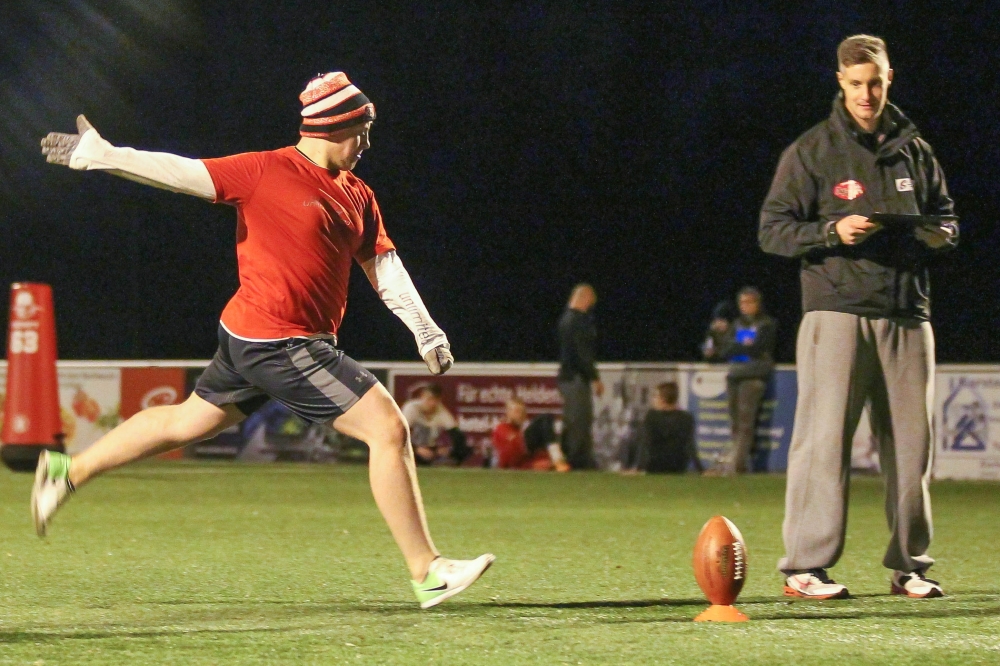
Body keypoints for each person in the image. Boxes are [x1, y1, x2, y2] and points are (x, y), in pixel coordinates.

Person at [35, 72, 493, 608]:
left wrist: (425, 328)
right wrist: (103, 155)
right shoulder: (264, 170)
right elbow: (180, 173)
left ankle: (67, 472)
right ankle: (427, 571)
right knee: (388, 429)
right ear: (331, 127)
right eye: (362, 131)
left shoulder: (359, 194)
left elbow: (384, 267)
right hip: (280, 341)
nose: (368, 143)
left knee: (187, 421)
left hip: (253, 335)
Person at [759, 36, 956, 600]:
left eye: (874, 82)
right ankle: (805, 566)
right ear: (839, 82)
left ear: (889, 78)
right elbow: (772, 231)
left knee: (912, 451)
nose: (865, 94)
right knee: (823, 444)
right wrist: (831, 231)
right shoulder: (811, 150)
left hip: (908, 313)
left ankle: (910, 566)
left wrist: (939, 235)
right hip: (837, 311)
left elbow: (947, 218)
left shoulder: (916, 150)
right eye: (854, 84)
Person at [707, 287, 777, 475]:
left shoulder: (766, 323)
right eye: (742, 302)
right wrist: (740, 345)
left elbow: (757, 348)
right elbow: (725, 350)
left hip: (753, 377)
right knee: (735, 423)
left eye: (749, 302)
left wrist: (738, 347)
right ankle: (739, 463)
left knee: (746, 423)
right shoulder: (737, 323)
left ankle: (736, 466)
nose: (744, 306)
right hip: (734, 374)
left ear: (757, 303)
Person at [557, 284, 604, 469]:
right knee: (578, 420)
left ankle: (580, 459)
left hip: (571, 377)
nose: (589, 307)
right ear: (584, 298)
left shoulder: (566, 319)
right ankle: (576, 460)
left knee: (579, 418)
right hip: (574, 378)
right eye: (590, 303)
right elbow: (582, 353)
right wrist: (595, 377)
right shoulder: (576, 321)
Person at [635, 382, 702, 474]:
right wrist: (700, 469)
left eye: (655, 396)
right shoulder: (686, 418)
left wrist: (639, 468)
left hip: (655, 466)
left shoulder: (652, 416)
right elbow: (690, 445)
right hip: (679, 466)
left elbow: (646, 443)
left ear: (663, 399)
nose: (653, 400)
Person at [401, 385, 469, 466]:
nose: (431, 403)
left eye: (435, 400)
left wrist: (448, 449)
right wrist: (416, 449)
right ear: (422, 397)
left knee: (466, 449)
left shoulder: (441, 411)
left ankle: (446, 465)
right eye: (429, 399)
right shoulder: (411, 408)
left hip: (431, 449)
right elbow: (399, 434)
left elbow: (457, 435)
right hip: (412, 447)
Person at [490, 398, 553, 470]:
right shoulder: (501, 428)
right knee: (544, 419)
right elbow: (511, 457)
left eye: (523, 412)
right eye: (517, 411)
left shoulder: (521, 432)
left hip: (524, 468)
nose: (520, 415)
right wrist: (532, 465)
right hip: (509, 470)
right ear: (508, 412)